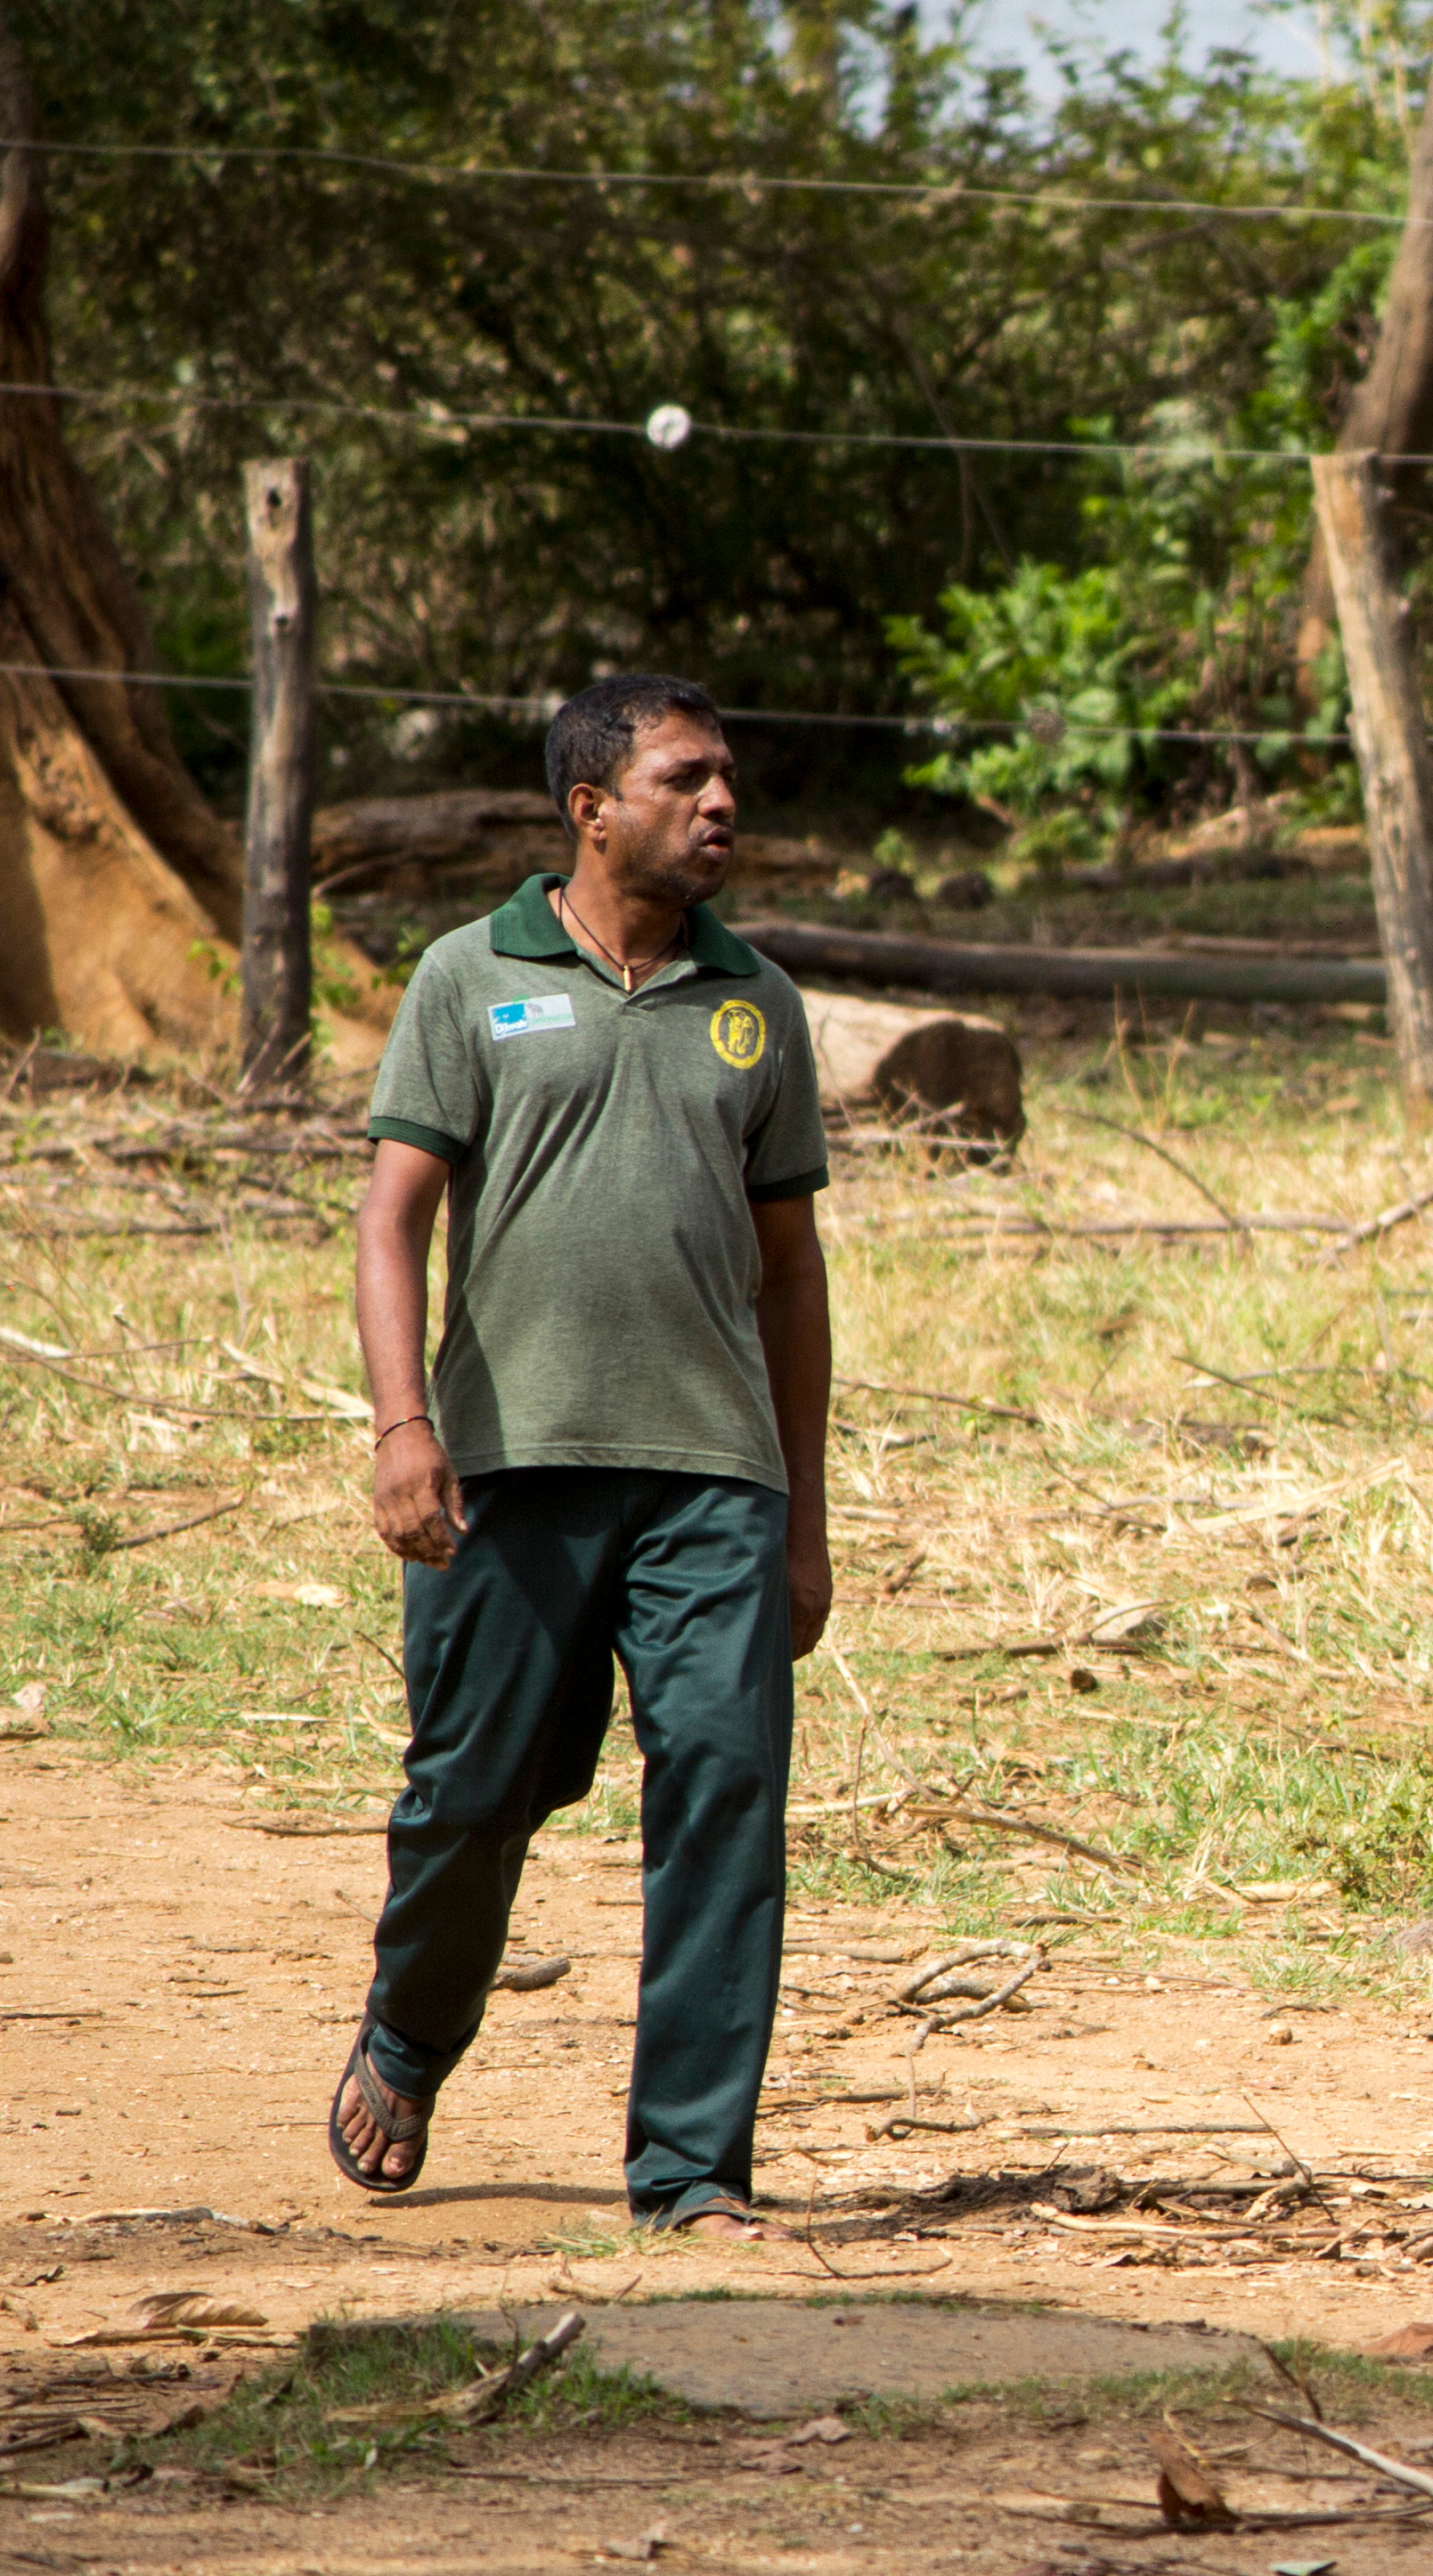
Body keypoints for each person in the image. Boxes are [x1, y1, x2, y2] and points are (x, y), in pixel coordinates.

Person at [335, 673, 832, 2240]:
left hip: (714, 1480)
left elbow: (794, 1276)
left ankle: (690, 2168)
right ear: (590, 807)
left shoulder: (758, 1002)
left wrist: (805, 1516)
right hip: (507, 1471)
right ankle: (412, 2034)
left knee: (725, 1792)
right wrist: (403, 1427)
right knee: (474, 1794)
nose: (721, 804)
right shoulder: (470, 977)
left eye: (728, 777)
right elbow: (392, 1220)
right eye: (687, 777)